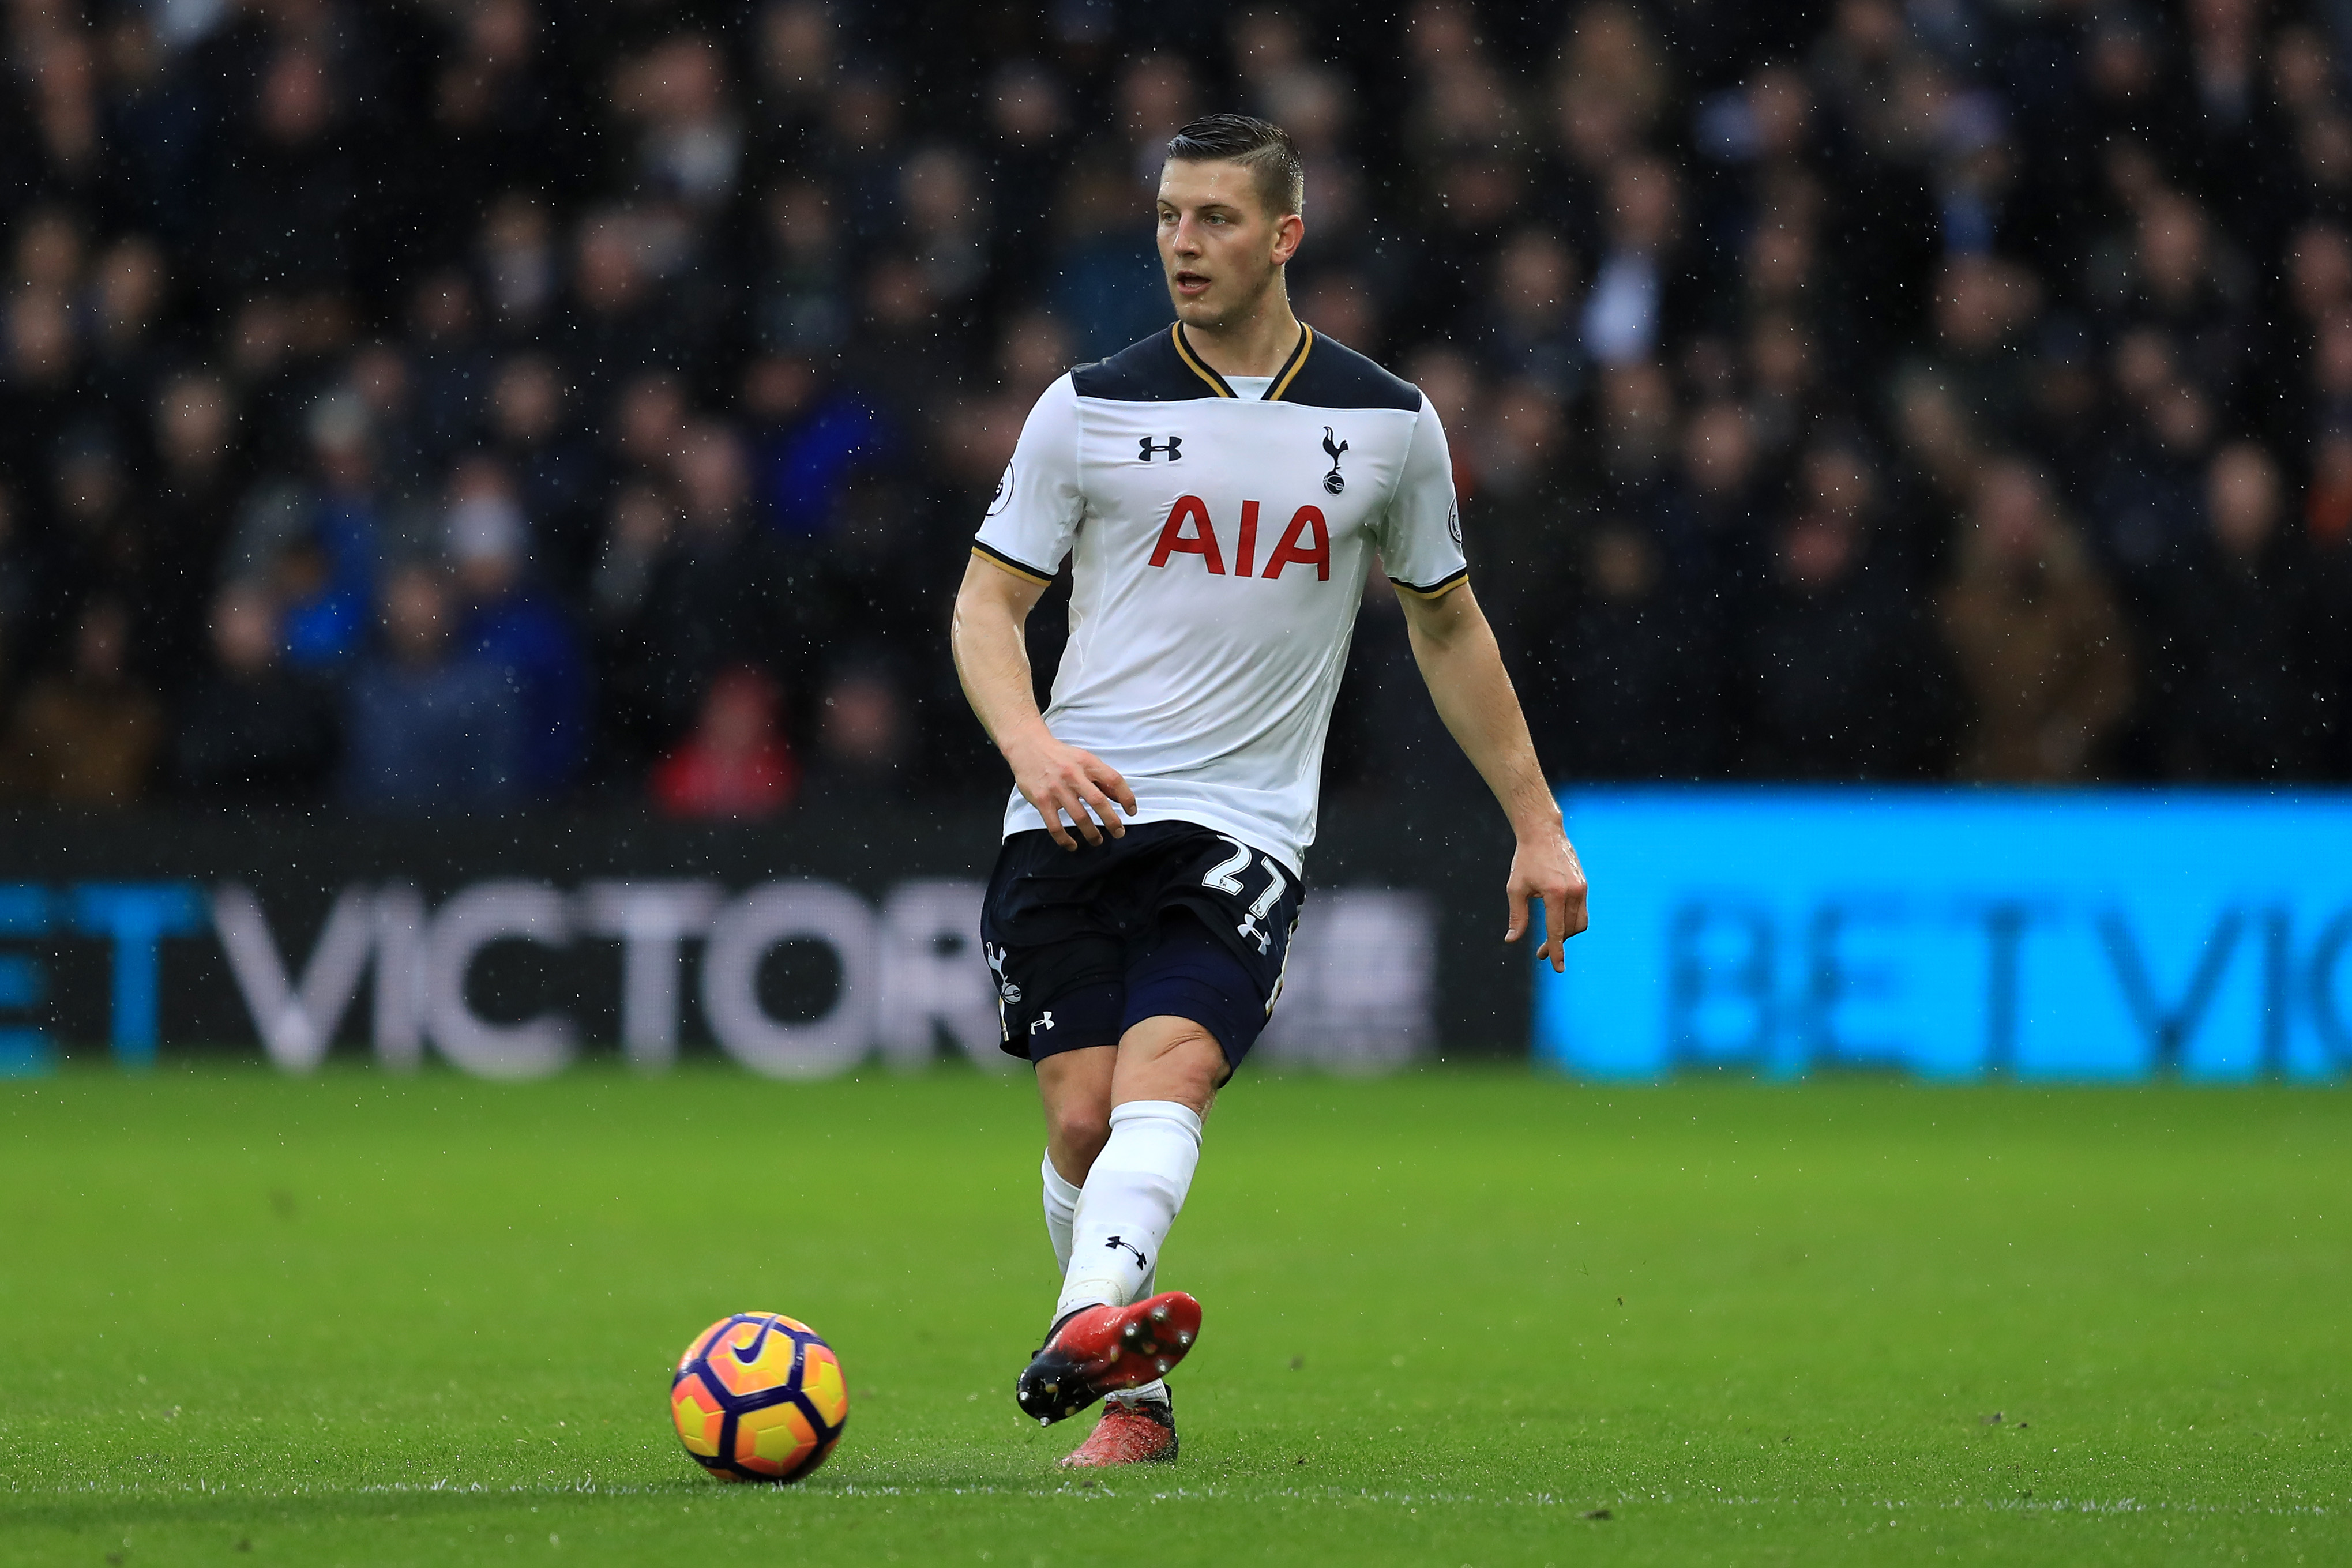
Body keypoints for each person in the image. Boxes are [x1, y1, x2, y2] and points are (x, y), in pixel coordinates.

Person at [949, 115, 1587, 1469]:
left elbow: (1448, 626)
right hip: (1071, 806)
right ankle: (1135, 1392)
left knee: (1164, 1074)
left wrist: (1534, 823)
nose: (1183, 242)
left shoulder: (1387, 423)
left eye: (1216, 219)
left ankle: (1082, 1327)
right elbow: (986, 606)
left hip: (1240, 825)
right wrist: (1028, 746)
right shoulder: (1087, 406)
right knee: (1077, 1116)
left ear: (1284, 235)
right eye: (1171, 216)